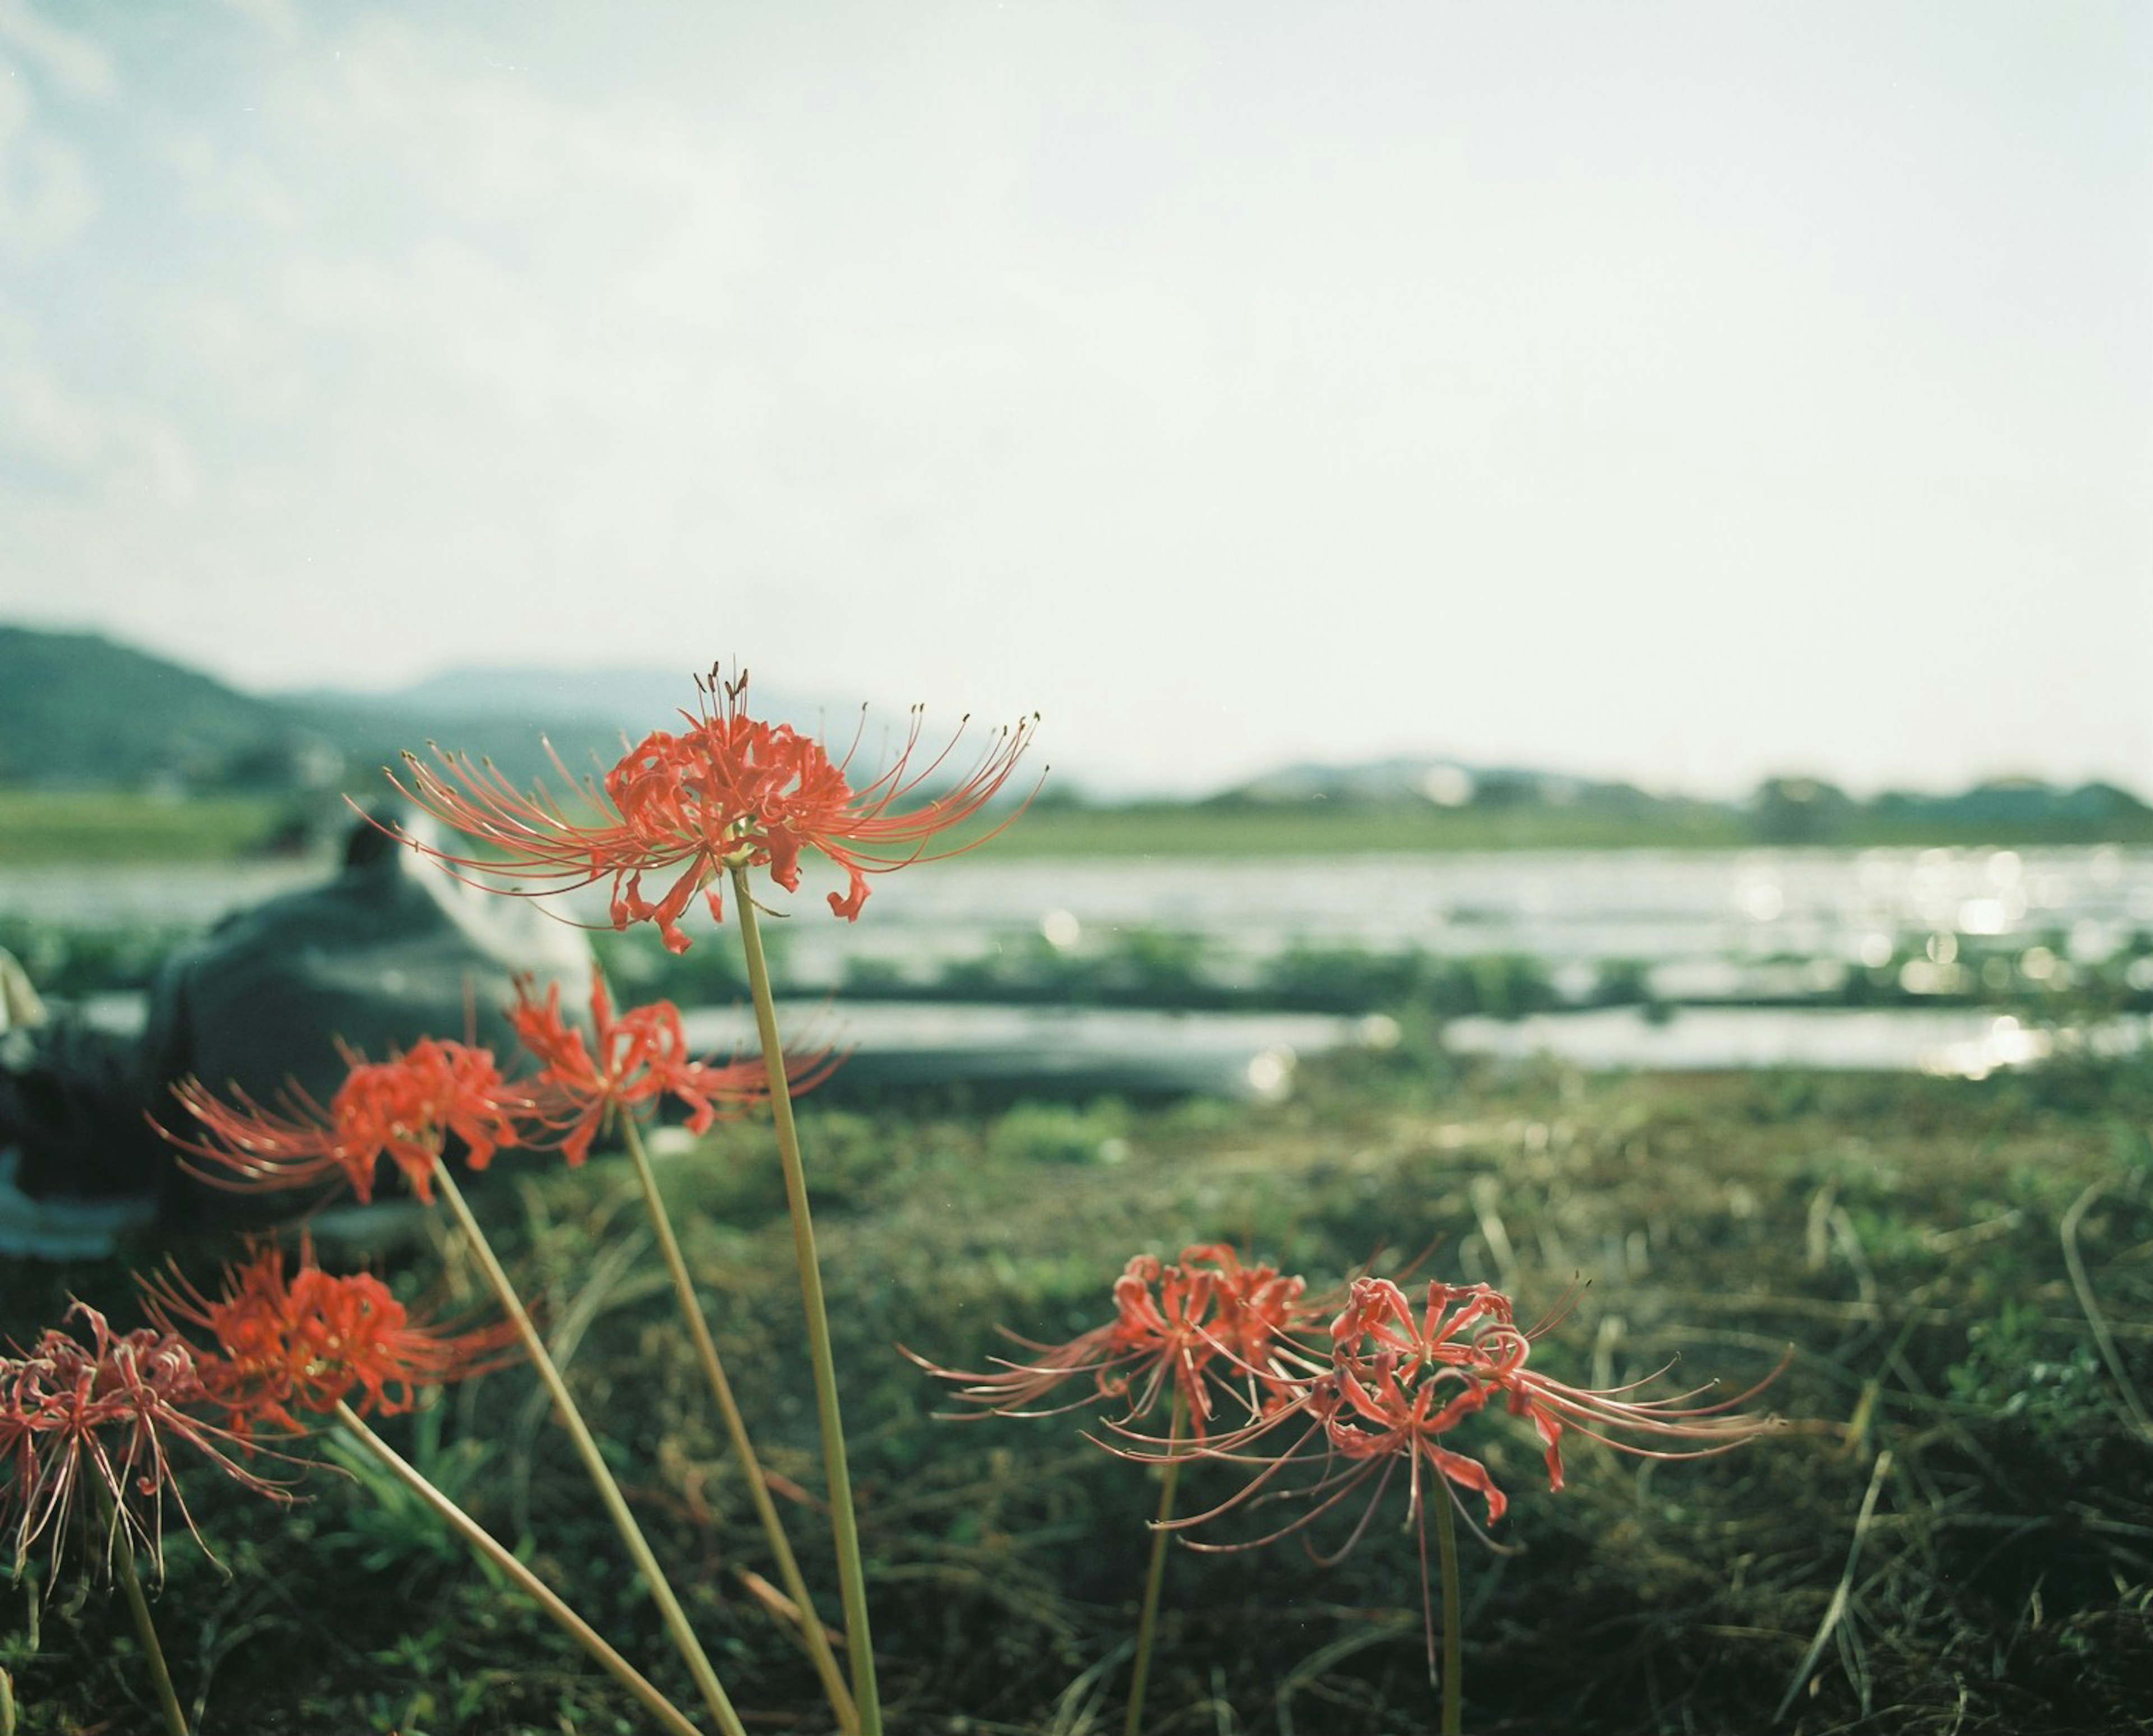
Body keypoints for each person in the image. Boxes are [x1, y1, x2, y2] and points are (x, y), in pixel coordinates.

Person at [0, 806, 595, 1256]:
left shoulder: (238, 962)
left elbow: (162, 1130)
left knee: (64, 1061)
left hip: (243, 1161)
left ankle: (29, 1028)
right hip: (474, 1143)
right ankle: (31, 1026)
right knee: (66, 1052)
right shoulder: (553, 928)